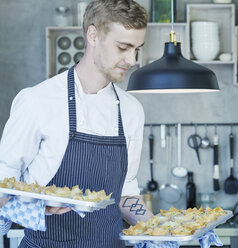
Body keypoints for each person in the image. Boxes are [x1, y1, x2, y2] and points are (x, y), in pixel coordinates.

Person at [0, 0, 153, 247]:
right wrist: (33, 205)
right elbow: (3, 183)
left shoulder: (132, 110)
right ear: (93, 35)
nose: (132, 59)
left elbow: (125, 191)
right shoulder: (37, 101)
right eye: (123, 47)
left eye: (137, 49)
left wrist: (158, 228)